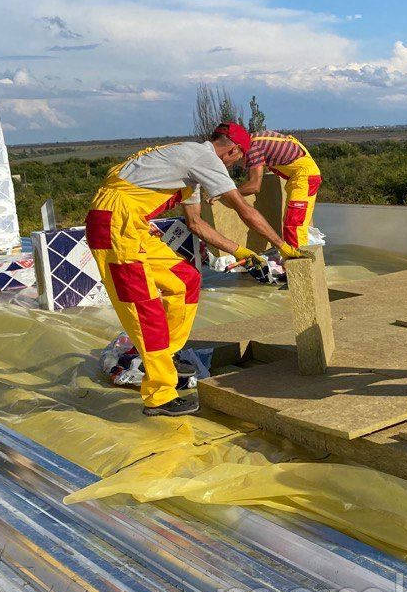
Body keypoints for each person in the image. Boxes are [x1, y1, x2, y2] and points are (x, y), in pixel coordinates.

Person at [85, 124, 303, 416]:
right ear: (232, 149)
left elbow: (196, 224)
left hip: (131, 225)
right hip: (116, 227)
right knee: (146, 311)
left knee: (185, 281)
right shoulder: (205, 158)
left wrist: (239, 250)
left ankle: (167, 354)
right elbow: (243, 208)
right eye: (237, 160)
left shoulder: (188, 165)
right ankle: (159, 395)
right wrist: (282, 245)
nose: (234, 165)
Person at [232, 128, 322, 248]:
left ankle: (298, 261)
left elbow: (254, 186)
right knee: (295, 221)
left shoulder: (252, 149)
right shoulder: (254, 140)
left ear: (235, 149)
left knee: (294, 224)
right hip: (300, 176)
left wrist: (226, 193)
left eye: (236, 161)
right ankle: (297, 255)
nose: (237, 164)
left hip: (304, 177)